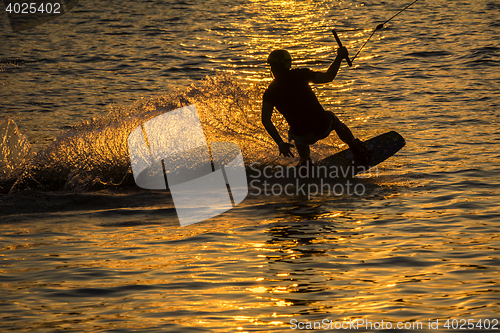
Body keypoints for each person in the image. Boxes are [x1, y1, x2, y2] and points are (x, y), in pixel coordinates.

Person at [261, 47, 371, 167]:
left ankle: (305, 162)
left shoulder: (270, 92)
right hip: (323, 127)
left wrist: (280, 143)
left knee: (295, 133)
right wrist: (339, 57)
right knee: (333, 119)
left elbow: (266, 120)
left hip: (302, 137)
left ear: (272, 67)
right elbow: (328, 77)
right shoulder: (301, 75)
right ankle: (355, 147)